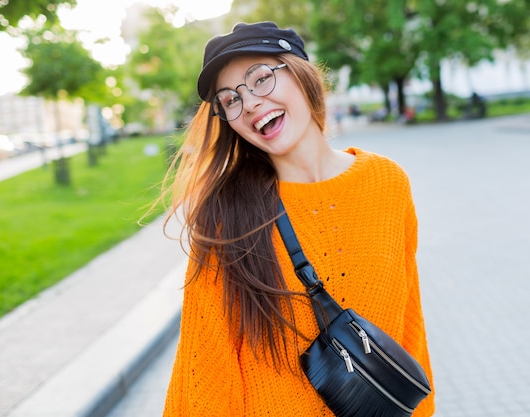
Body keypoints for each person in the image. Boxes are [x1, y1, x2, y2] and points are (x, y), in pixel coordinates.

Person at [159, 21, 435, 416]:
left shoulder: (387, 183)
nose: (249, 102)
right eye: (230, 99)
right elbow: (207, 362)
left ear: (301, 74)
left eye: (259, 79)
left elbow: (408, 324)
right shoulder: (227, 215)